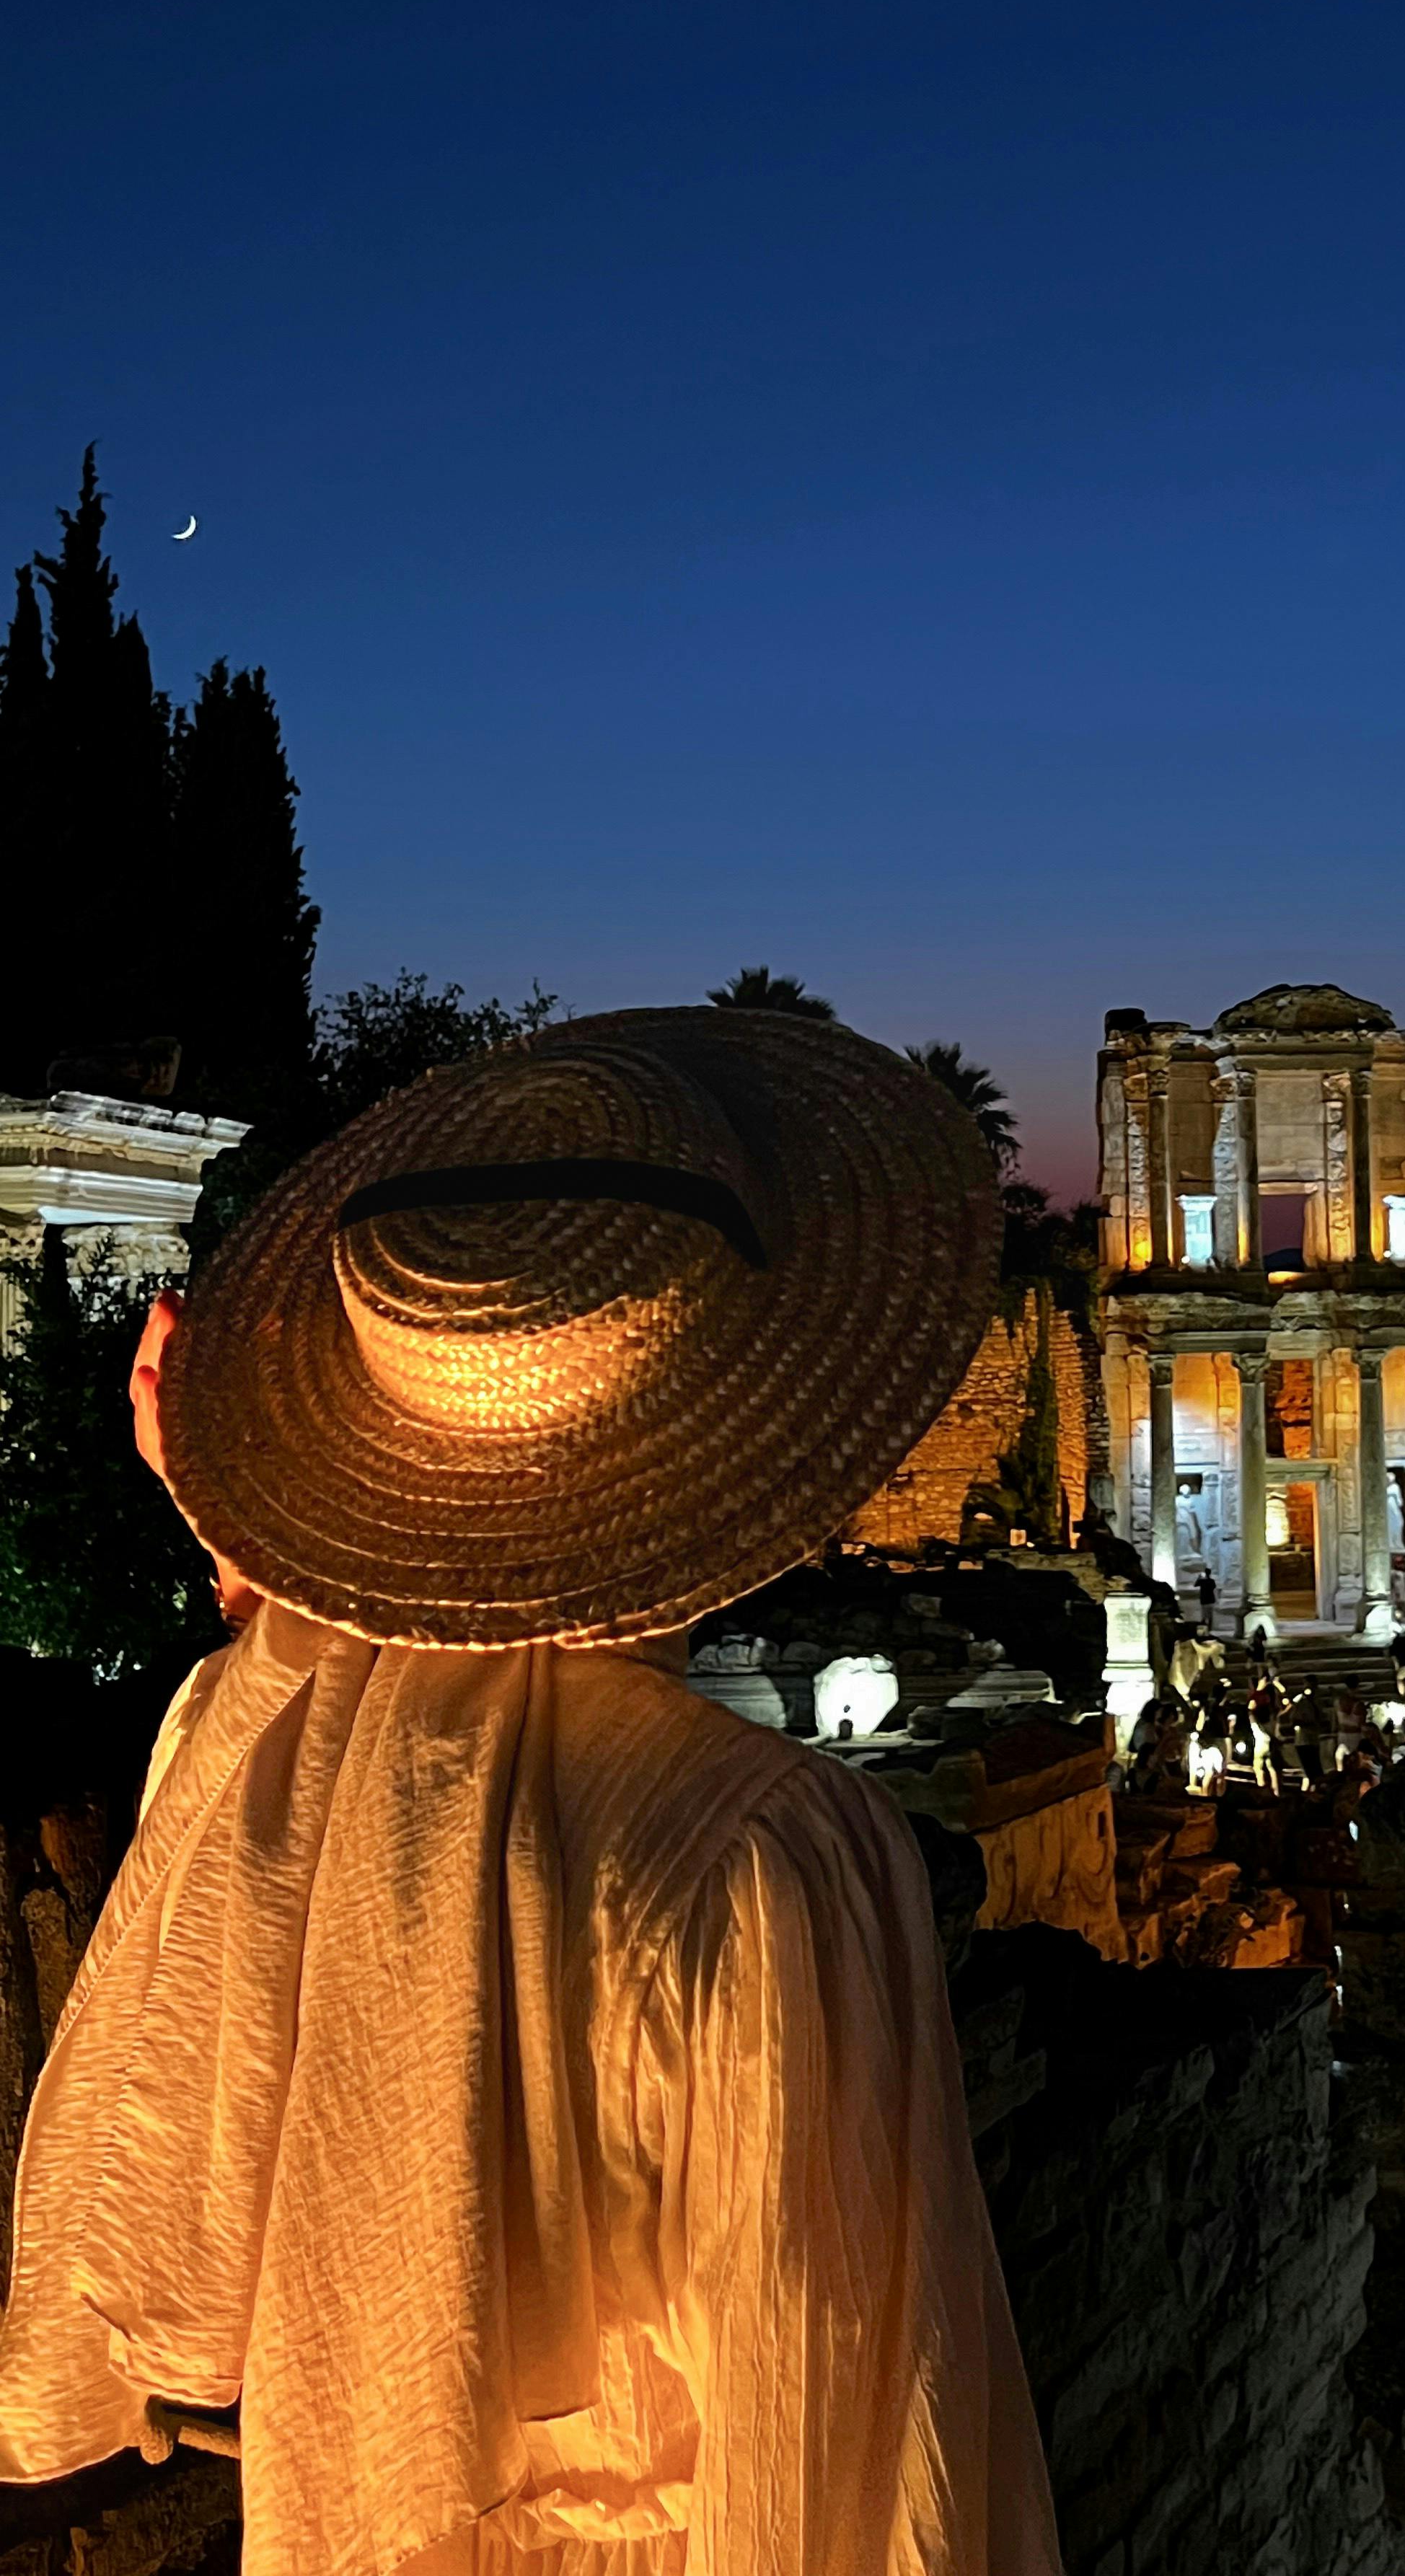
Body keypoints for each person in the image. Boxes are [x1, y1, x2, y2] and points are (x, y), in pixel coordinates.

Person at [0, 1006, 1061, 2576]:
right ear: (739, 1401)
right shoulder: (763, 1853)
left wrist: (247, 1563)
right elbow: (838, 2453)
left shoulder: (243, 1758)